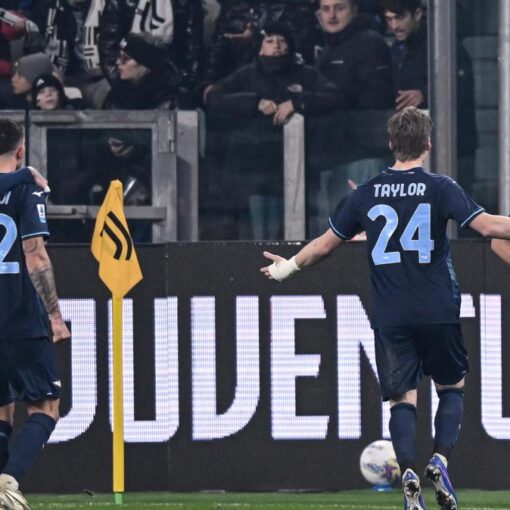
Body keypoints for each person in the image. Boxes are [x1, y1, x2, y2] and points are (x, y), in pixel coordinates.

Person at [260, 107, 510, 510]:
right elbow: (490, 228)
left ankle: (407, 471)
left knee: (402, 400)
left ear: (391, 143)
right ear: (428, 144)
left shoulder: (365, 194)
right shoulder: (440, 187)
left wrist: (285, 268)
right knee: (451, 387)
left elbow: (324, 245)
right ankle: (440, 460)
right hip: (439, 308)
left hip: (391, 314)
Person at [206, 21, 339, 240]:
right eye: (269, 41)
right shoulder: (247, 75)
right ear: (260, 48)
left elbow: (335, 97)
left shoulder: (306, 74)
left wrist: (297, 102)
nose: (276, 45)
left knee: (302, 233)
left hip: (302, 168)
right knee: (261, 236)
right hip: (256, 171)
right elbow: (214, 97)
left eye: (282, 40)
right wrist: (254, 102)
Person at [0, 119, 70, 510]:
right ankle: (8, 481)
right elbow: (35, 254)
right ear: (21, 149)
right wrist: (55, 316)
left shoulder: (24, 180)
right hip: (19, 317)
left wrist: (24, 172)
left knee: (1, 408)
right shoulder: (28, 190)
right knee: (45, 406)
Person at [381, 0, 478, 198]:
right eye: (389, 19)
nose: (394, 25)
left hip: (455, 148)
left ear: (417, 14)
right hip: (416, 147)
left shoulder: (444, 44)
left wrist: (425, 94)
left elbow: (462, 91)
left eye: (400, 18)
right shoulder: (399, 50)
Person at [102, 32, 181, 110]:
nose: (118, 62)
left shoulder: (167, 100)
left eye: (125, 58)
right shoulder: (117, 92)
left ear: (145, 65)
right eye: (119, 56)